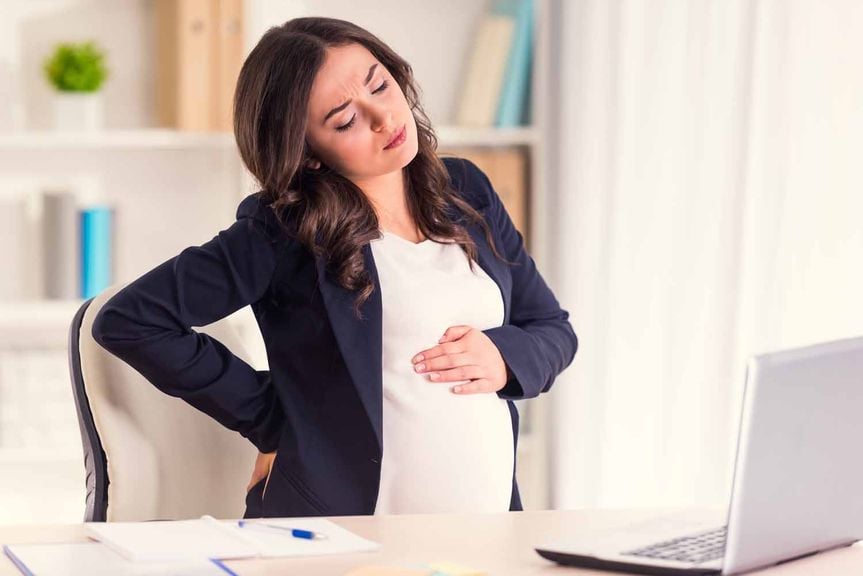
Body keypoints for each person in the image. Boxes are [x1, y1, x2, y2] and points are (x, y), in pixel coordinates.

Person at [91, 16, 577, 518]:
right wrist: (273, 420)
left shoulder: (466, 190)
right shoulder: (283, 231)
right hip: (341, 539)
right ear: (308, 154)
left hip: (486, 527)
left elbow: (551, 328)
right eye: (345, 121)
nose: (385, 119)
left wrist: (504, 356)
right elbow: (131, 320)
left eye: (380, 87)